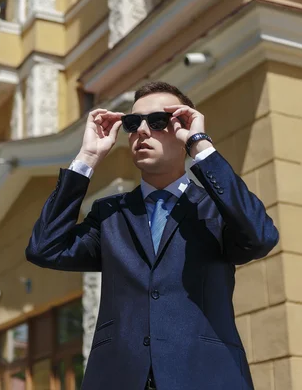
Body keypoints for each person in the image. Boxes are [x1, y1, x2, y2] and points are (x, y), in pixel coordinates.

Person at [25, 82, 279, 389]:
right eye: (133, 124)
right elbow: (45, 248)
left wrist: (201, 146)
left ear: (183, 128)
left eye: (158, 122)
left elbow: (262, 236)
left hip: (207, 376)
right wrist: (87, 158)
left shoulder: (217, 209)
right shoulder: (109, 214)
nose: (142, 131)